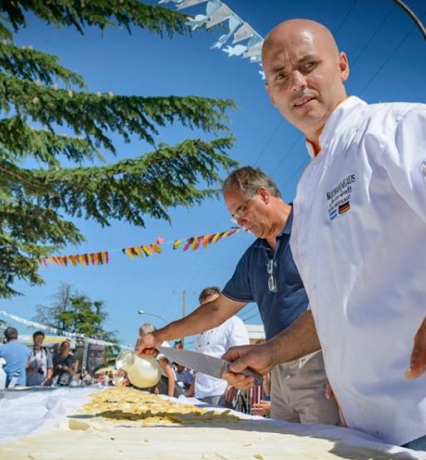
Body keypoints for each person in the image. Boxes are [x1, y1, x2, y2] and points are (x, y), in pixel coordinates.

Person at [223, 19, 426, 460]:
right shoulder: (310, 187)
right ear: (271, 94)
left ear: (341, 65)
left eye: (308, 65)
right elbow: (333, 308)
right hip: (360, 429)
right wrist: (268, 353)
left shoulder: (398, 127)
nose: (297, 82)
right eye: (280, 76)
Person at [136, 167, 340, 425]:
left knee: (324, 455)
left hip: (322, 365)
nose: (240, 222)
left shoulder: (315, 227)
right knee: (285, 454)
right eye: (234, 217)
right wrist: (159, 336)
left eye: (241, 210)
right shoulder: (254, 256)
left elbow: (340, 303)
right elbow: (215, 311)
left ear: (264, 194)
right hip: (276, 373)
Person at [173, 287, 249, 407]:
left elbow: (243, 356)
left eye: (213, 304)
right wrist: (192, 390)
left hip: (222, 390)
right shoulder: (201, 330)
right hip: (200, 392)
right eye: (206, 307)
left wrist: (234, 385)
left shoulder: (233, 322)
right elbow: (198, 364)